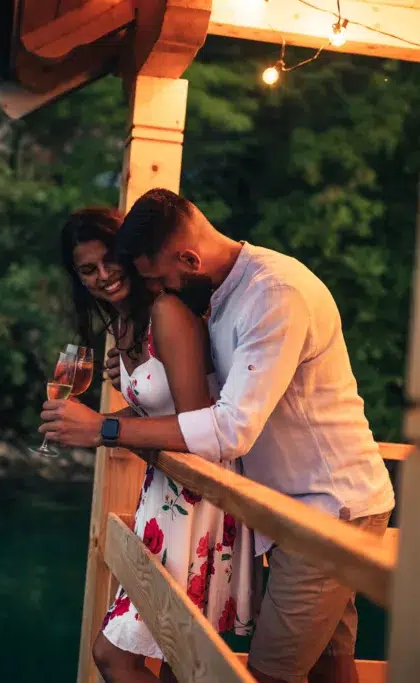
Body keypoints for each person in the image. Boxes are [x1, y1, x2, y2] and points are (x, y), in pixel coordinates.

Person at [40, 189, 395, 683]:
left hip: (331, 508)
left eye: (158, 277)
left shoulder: (275, 293)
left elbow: (229, 427)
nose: (156, 288)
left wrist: (106, 428)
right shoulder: (226, 294)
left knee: (270, 672)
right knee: (329, 664)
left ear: (186, 258)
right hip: (283, 505)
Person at [58, 207, 254, 683]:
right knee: (176, 664)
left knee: (113, 655)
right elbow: (155, 413)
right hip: (160, 498)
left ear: (129, 255)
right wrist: (97, 421)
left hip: (196, 496)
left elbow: (196, 430)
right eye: (87, 270)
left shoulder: (165, 314)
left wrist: (101, 429)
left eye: (109, 261)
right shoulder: (121, 326)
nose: (103, 277)